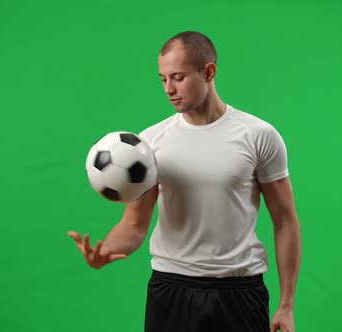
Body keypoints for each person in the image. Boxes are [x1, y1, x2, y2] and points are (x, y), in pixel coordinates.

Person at [68, 31, 302, 332]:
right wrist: (104, 252)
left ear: (208, 72)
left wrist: (287, 304)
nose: (169, 88)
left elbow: (285, 221)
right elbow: (134, 225)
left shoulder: (258, 135)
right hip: (171, 289)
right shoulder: (149, 144)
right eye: (163, 79)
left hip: (240, 291)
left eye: (178, 77)